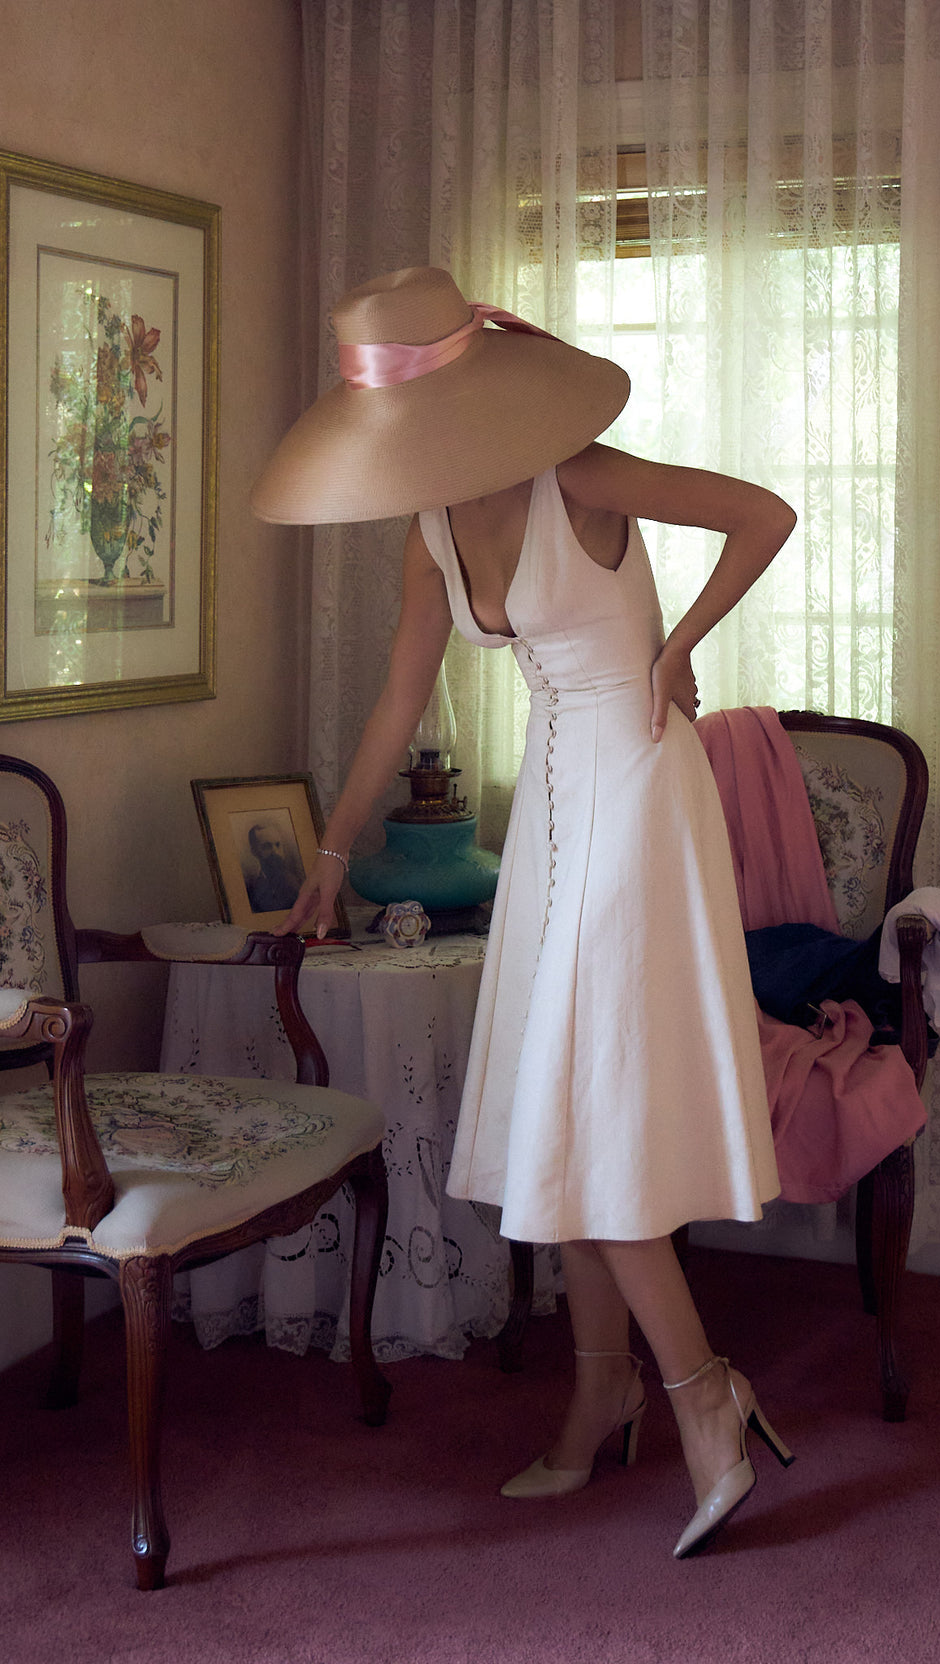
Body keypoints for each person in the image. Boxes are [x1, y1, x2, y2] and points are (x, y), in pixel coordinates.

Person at [252, 266, 798, 1558]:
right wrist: (332, 850)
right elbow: (398, 702)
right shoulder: (429, 528)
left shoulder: (586, 477)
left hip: (639, 788)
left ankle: (702, 1392)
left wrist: (679, 645)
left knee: (586, 1108)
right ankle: (601, 1394)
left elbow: (763, 514)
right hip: (552, 809)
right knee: (567, 1108)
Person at [244, 820, 304, 913]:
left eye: (277, 845)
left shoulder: (296, 884)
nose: (275, 852)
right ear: (254, 852)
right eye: (267, 846)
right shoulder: (250, 889)